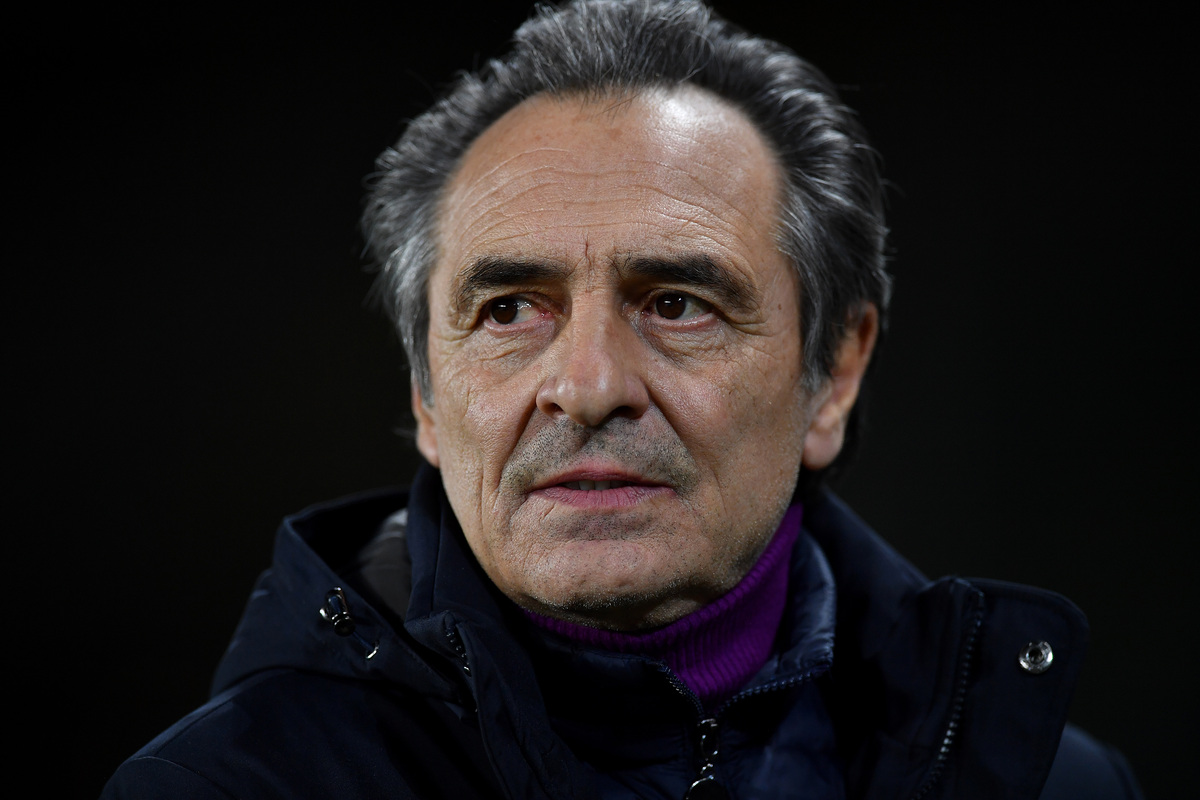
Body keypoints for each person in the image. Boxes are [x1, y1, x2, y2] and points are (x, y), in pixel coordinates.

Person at [102, 1, 1144, 798]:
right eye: (510, 308)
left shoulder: (1059, 782)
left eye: (678, 302)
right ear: (426, 391)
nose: (590, 386)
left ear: (833, 373)